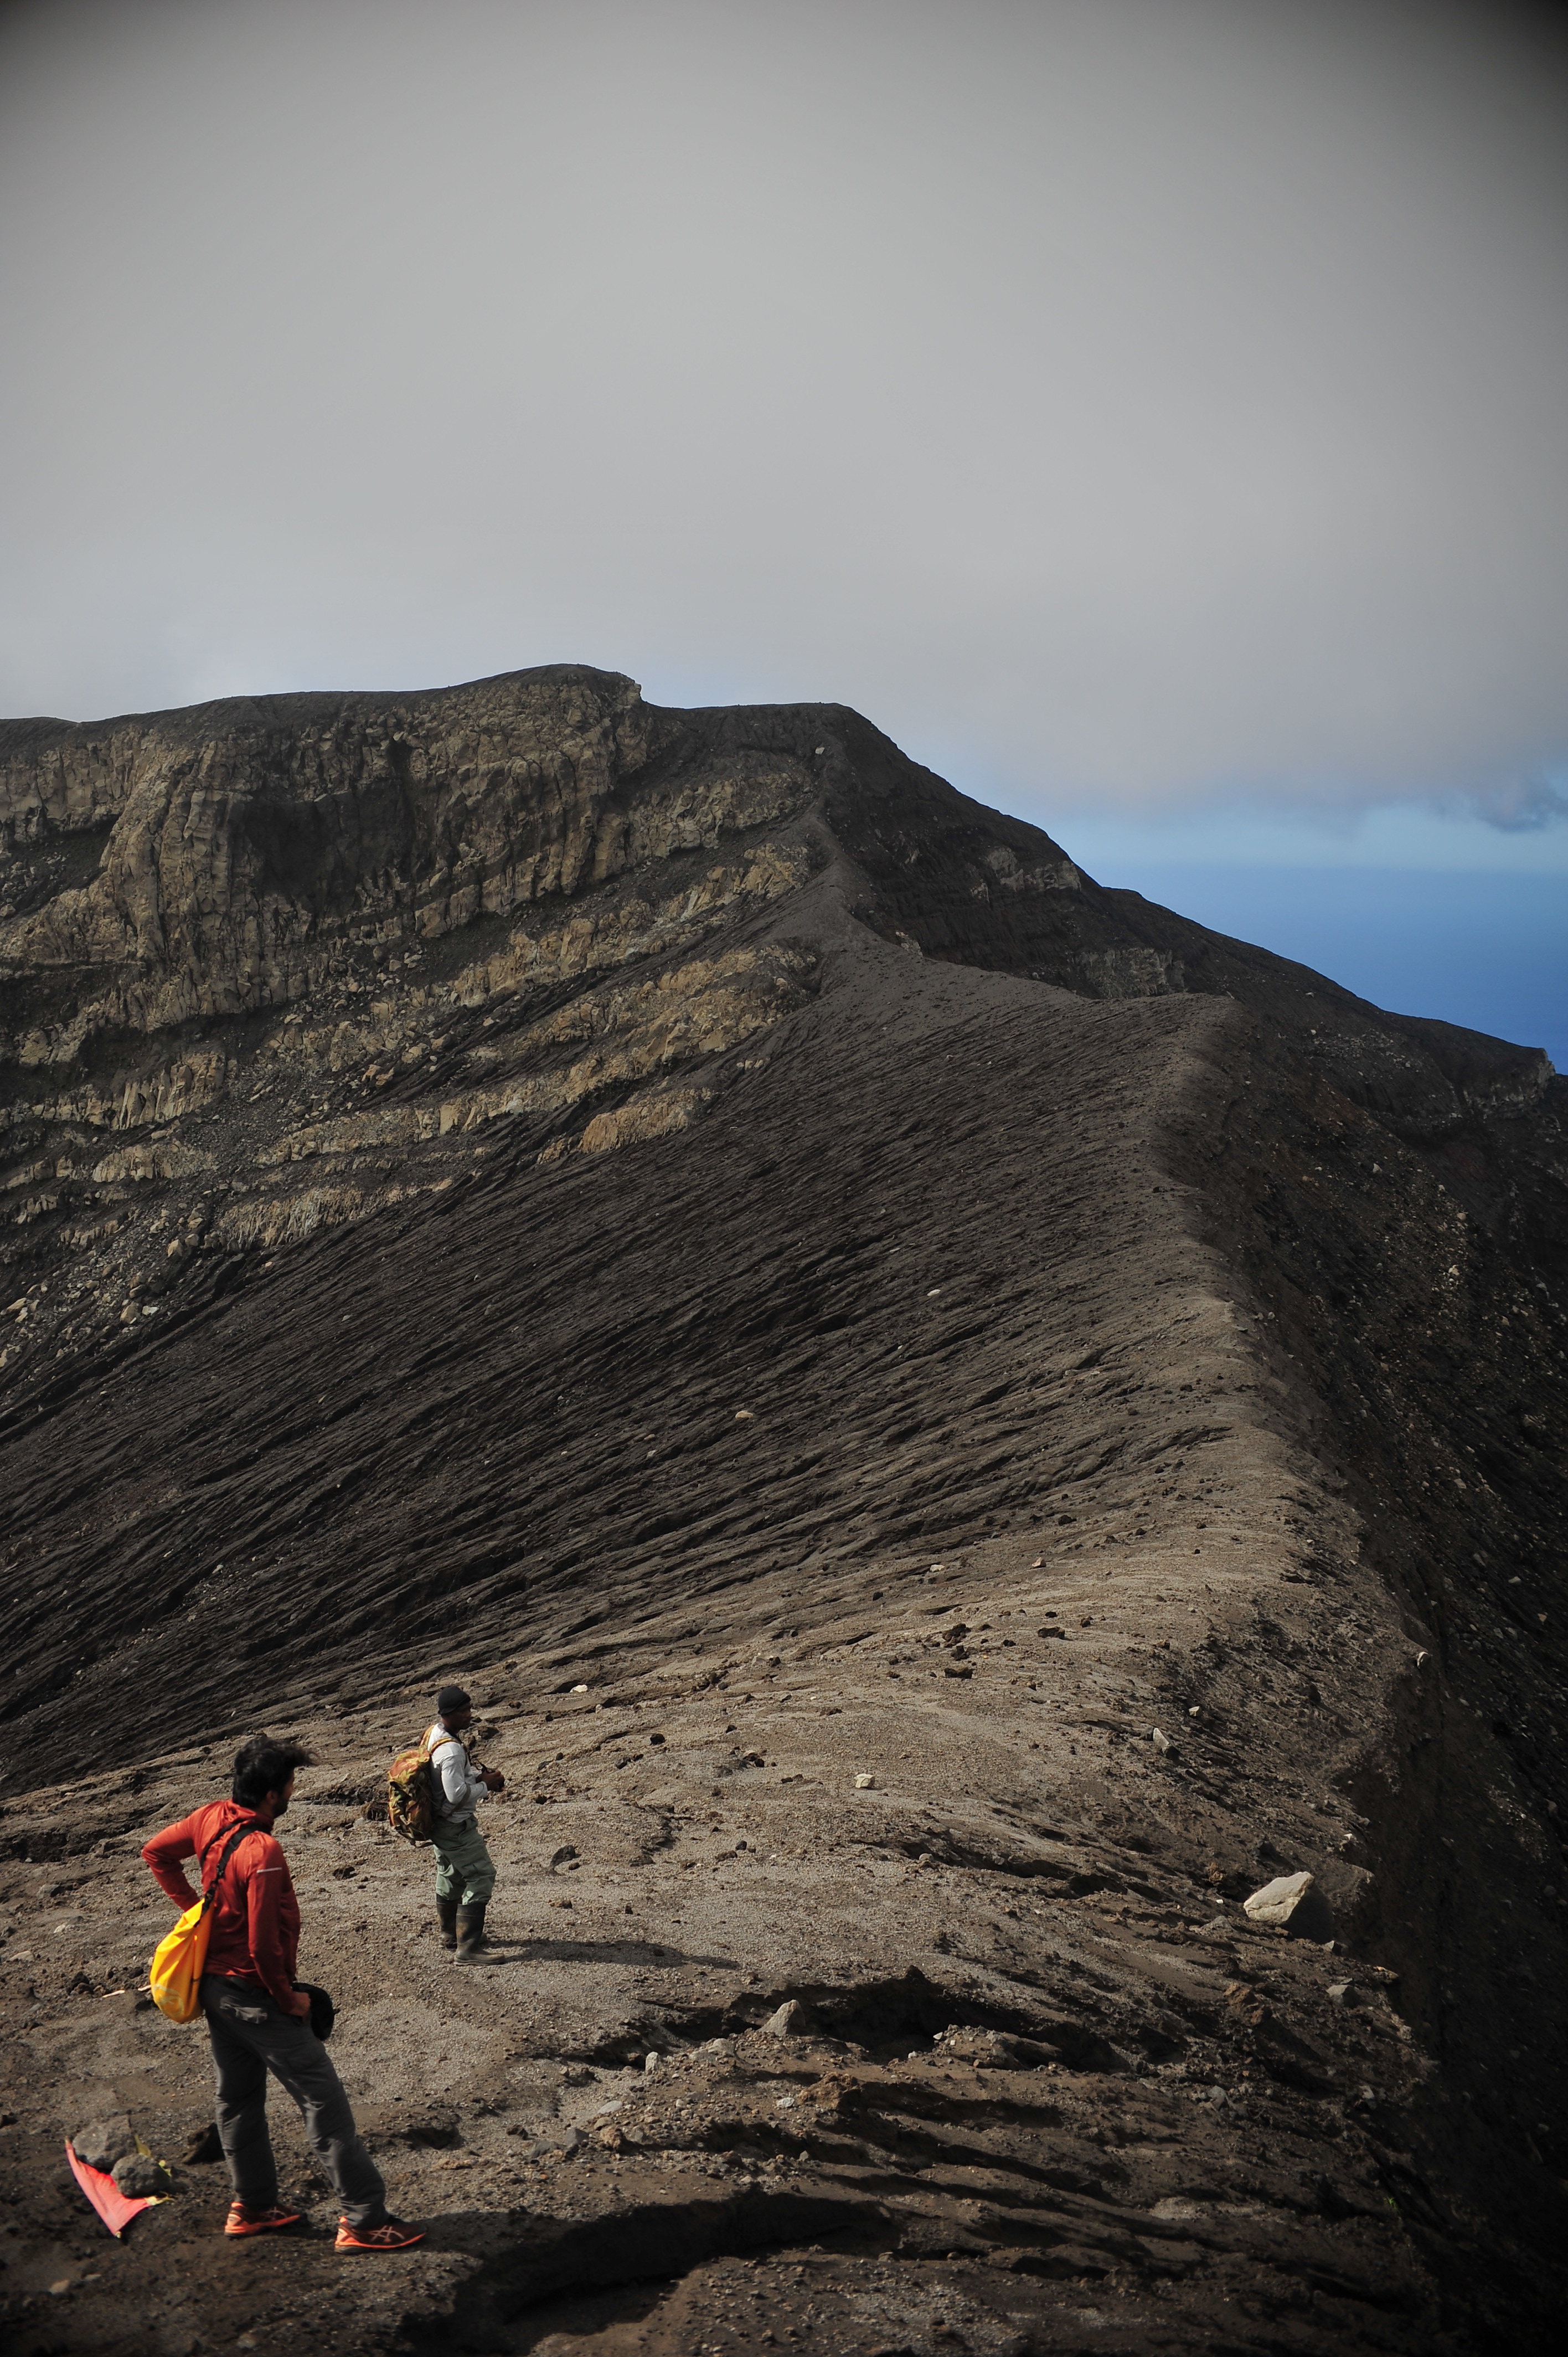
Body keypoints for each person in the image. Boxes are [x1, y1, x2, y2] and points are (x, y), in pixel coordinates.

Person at [142, 1735, 424, 2251]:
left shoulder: (208, 1818)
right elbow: (262, 1943)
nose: (294, 1789)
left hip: (214, 1990)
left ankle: (252, 2206)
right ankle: (365, 2221)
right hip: (254, 1995)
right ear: (273, 1794)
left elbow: (156, 1853)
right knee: (323, 2102)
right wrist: (289, 1999)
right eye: (292, 1783)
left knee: (238, 2098)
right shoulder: (262, 1850)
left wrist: (196, 1912)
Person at [425, 1685, 504, 1960]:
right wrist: (486, 1786)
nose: (469, 1715)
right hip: (455, 1826)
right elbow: (455, 1794)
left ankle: (450, 1933)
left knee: (451, 1874)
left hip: (439, 1824)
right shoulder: (452, 1752)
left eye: (469, 1709)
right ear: (449, 1714)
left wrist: (477, 1778)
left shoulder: (435, 1734)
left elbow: (452, 1783)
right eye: (464, 1711)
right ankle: (468, 1948)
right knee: (481, 1876)